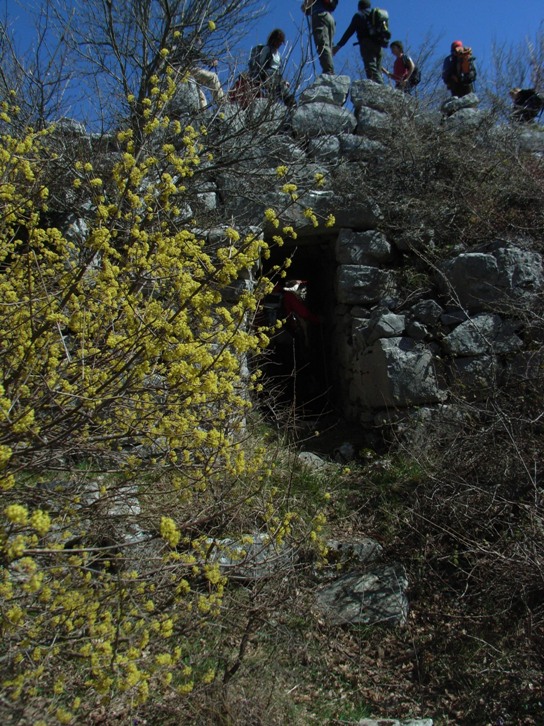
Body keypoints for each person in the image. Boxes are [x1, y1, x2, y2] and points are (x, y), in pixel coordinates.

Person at [333, 0, 384, 84]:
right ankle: (377, 85)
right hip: (379, 44)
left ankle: (380, 87)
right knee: (377, 68)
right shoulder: (375, 15)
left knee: (370, 66)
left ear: (359, 7)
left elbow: (349, 32)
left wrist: (338, 46)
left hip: (366, 43)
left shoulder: (359, 15)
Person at [170, 32, 224, 110]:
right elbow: (197, 53)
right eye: (199, 41)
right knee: (213, 77)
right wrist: (210, 61)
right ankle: (221, 103)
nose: (200, 44)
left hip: (178, 73)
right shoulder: (188, 44)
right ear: (196, 39)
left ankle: (202, 114)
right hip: (185, 69)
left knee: (201, 98)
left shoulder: (180, 44)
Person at [249, 29, 296, 107]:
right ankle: (291, 103)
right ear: (274, 40)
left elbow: (279, 70)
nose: (279, 44)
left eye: (281, 42)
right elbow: (260, 64)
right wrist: (262, 77)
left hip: (277, 76)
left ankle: (291, 104)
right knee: (281, 90)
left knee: (282, 89)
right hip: (268, 75)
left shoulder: (278, 55)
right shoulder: (267, 49)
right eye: (278, 41)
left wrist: (284, 81)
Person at [302, 0, 338, 76]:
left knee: (322, 44)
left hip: (319, 16)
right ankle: (330, 69)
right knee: (328, 46)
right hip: (329, 18)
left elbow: (305, 8)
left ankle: (329, 71)